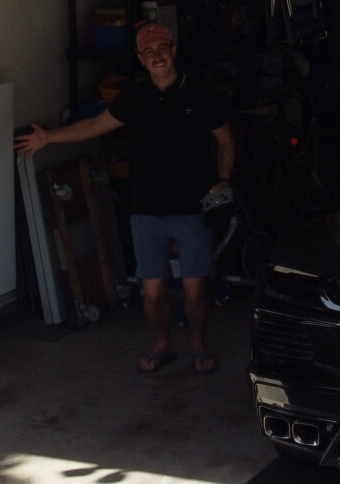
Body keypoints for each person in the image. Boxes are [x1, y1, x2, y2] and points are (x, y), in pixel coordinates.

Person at [15, 21, 234, 374]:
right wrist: (49, 138)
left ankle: (198, 344)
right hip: (146, 210)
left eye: (162, 48)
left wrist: (224, 180)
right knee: (152, 292)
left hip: (192, 208)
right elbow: (94, 126)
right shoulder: (135, 97)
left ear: (174, 50)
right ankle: (163, 344)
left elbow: (225, 140)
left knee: (195, 289)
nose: (157, 56)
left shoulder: (200, 93)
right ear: (140, 59)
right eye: (149, 52)